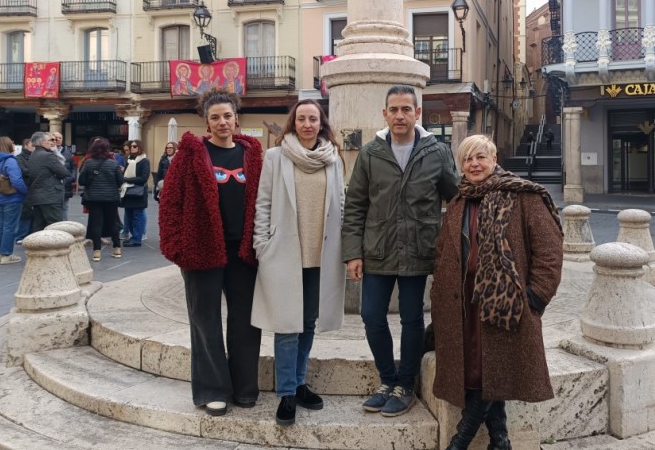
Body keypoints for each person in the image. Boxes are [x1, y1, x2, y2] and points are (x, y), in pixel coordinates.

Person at [429, 135, 563, 450]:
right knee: (479, 373)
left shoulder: (523, 195)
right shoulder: (459, 201)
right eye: (467, 159)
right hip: (464, 304)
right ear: (461, 165)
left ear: (494, 158)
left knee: (491, 371)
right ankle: (501, 447)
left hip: (506, 307)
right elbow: (444, 251)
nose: (474, 164)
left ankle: (457, 448)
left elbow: (550, 250)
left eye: (480, 157)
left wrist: (535, 298)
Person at [342, 84, 458, 417]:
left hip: (418, 249)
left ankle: (406, 384)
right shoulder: (370, 153)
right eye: (393, 109)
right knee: (371, 315)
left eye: (406, 109)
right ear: (385, 114)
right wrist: (353, 253)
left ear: (417, 113)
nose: (400, 115)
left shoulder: (436, 152)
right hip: (377, 248)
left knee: (411, 318)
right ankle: (387, 379)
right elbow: (355, 205)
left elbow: (456, 198)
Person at [159, 87, 263, 417]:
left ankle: (245, 387)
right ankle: (213, 389)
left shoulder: (252, 155)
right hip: (201, 250)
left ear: (236, 119)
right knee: (205, 320)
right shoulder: (191, 155)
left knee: (246, 321)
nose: (222, 122)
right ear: (207, 122)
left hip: (243, 252)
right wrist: (176, 245)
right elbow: (170, 203)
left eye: (227, 116)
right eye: (215, 117)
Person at [252, 100, 345, 426]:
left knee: (307, 322)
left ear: (321, 123)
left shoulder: (333, 159)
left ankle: (300, 382)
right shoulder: (275, 157)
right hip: (283, 253)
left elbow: (341, 204)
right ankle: (287, 392)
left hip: (321, 255)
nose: (307, 124)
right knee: (286, 325)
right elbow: (263, 203)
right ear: (293, 122)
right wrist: (262, 246)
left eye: (313, 119)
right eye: (302, 118)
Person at [78, 137, 124, 261]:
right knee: (113, 223)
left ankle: (97, 252)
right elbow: (120, 181)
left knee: (96, 224)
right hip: (111, 198)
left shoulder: (88, 162)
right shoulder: (113, 163)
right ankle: (117, 248)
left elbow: (81, 181)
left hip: (94, 198)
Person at [0, 136, 28, 265]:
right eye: (12, 143)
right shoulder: (10, 161)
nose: (14, 145)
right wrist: (25, 191)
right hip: (12, 197)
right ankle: (6, 254)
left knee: (0, 225)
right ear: (7, 146)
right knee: (10, 226)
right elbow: (16, 180)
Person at [27, 131, 71, 231]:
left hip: (37, 196)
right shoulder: (48, 156)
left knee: (39, 226)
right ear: (42, 142)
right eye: (50, 140)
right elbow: (64, 172)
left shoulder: (33, 155)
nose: (52, 142)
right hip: (50, 196)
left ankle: (38, 242)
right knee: (55, 226)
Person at [120, 140, 150, 247]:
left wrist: (127, 179)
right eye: (131, 146)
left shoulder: (144, 161)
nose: (132, 148)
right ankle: (133, 236)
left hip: (138, 192)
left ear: (140, 147)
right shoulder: (130, 160)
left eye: (134, 146)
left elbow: (144, 178)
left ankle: (137, 239)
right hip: (128, 191)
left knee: (138, 216)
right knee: (129, 215)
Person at [14, 138, 35, 244]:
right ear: (26, 145)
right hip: (25, 187)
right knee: (25, 212)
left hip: (34, 188)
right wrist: (36, 171)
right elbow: (24, 171)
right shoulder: (19, 158)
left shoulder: (36, 157)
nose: (34, 147)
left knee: (33, 212)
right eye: (32, 145)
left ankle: (30, 234)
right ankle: (21, 235)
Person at [53, 132, 77, 221]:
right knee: (54, 208)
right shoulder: (49, 151)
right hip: (52, 185)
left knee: (64, 207)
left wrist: (71, 178)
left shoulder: (67, 153)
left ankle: (64, 226)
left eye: (60, 138)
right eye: (56, 137)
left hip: (65, 184)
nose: (58, 139)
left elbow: (73, 168)